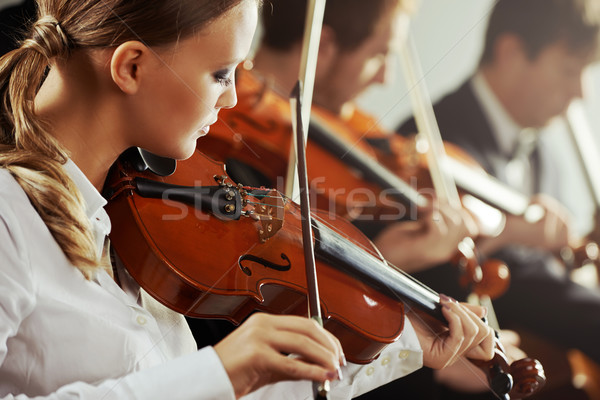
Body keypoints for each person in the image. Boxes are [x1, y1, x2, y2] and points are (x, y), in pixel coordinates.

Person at [0, 0, 496, 399]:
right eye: (220, 73)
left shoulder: (133, 209)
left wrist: (405, 344)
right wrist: (220, 371)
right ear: (131, 67)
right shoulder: (9, 216)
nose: (235, 98)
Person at [197, 0, 530, 398]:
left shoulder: (338, 155)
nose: (385, 79)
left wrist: (390, 259)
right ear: (322, 46)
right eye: (378, 56)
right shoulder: (210, 154)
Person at [398, 0, 600, 379]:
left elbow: (550, 281)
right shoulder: (427, 146)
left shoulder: (546, 158)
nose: (582, 93)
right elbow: (526, 286)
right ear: (511, 52)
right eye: (570, 71)